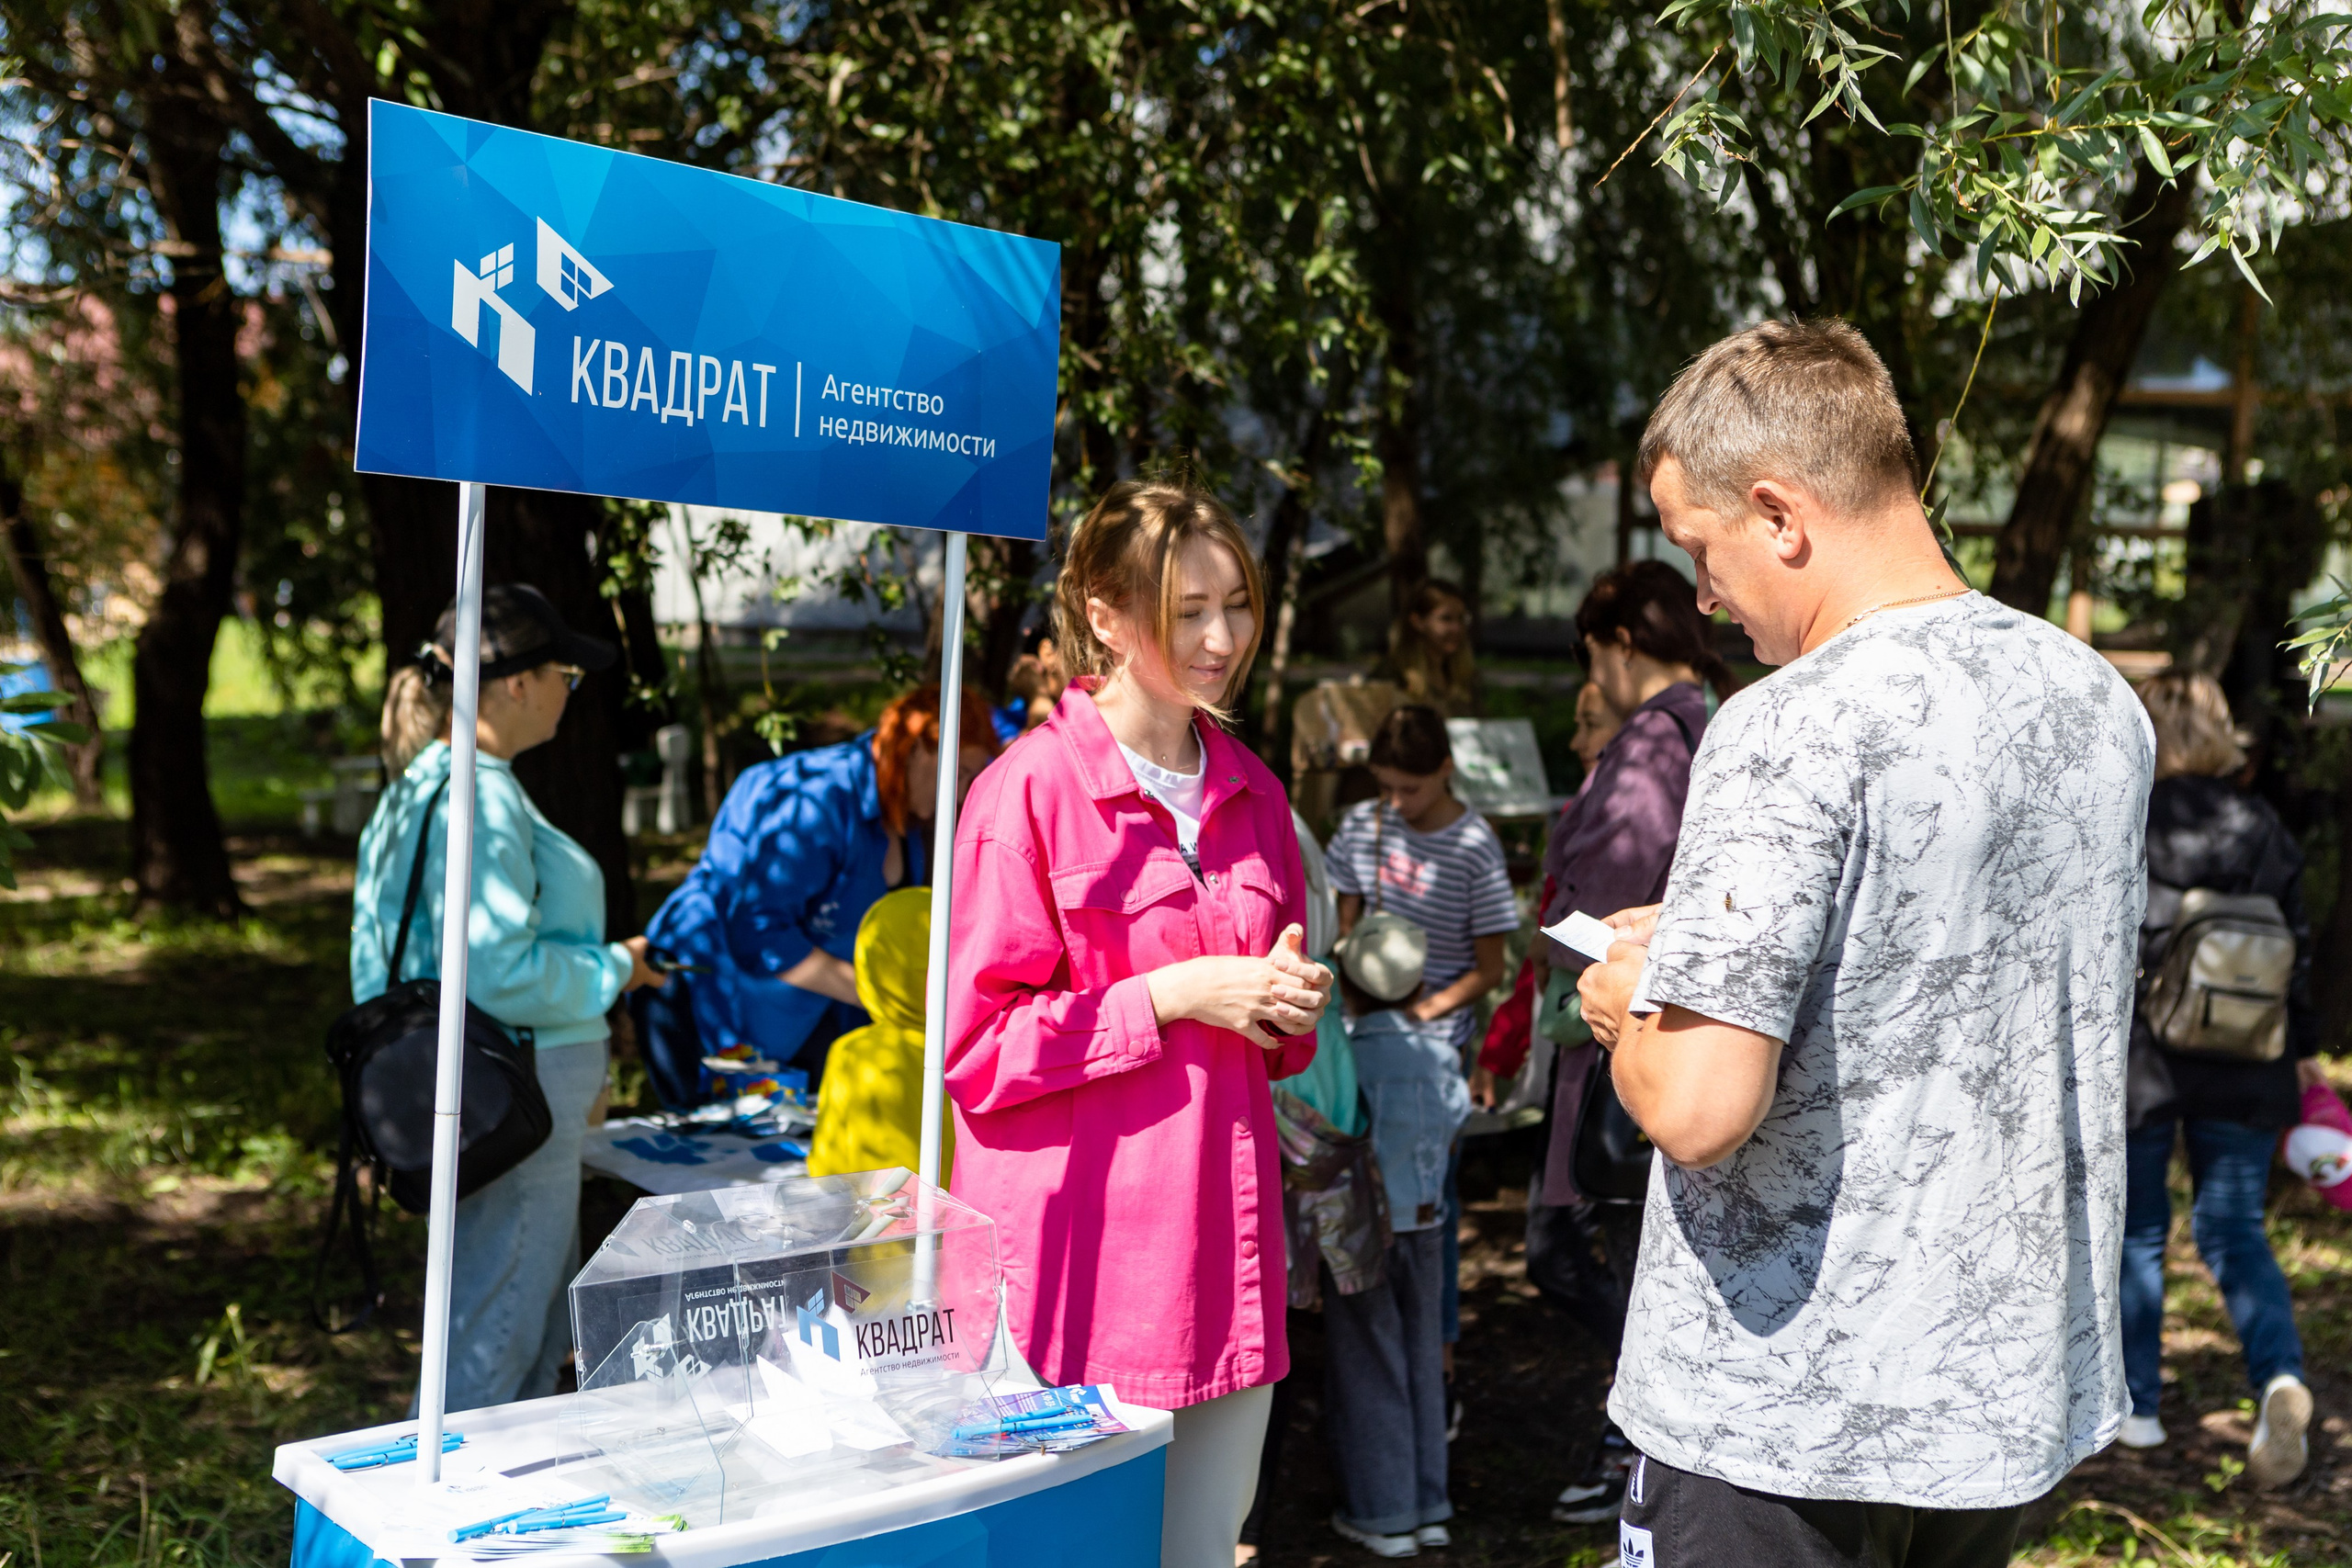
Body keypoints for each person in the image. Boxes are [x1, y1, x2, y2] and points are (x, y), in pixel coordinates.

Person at [1577, 319, 2153, 1565]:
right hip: (1994, 1395)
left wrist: (1635, 994)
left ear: (1781, 512)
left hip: (1781, 1412)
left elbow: (1696, 1103)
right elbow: (1945, 962)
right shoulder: (2096, 703)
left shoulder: (1791, 721)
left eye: (1702, 550)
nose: (1709, 597)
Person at [944, 479, 1332, 1568]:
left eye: (1237, 604)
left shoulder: (1255, 793)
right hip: (1078, 1278)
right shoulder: (1023, 795)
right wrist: (1169, 995)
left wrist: (1285, 1004)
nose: (1222, 639)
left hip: (1221, 1267)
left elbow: (1277, 1045)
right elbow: (977, 1055)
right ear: (1106, 616)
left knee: (1201, 1556)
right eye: (1187, 609)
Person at [350, 584, 663, 1412]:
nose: (571, 689)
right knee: (497, 1339)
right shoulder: (479, 797)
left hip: (462, 1089)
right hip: (509, 1097)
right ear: (517, 683)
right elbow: (498, 972)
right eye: (566, 672)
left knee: (507, 1324)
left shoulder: (422, 785)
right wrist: (613, 969)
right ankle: (451, 1537)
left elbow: (375, 960)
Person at [1510, 561, 1736, 1523]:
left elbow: (1607, 905)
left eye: (1591, 651)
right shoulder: (1718, 722)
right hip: (1680, 1037)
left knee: (1577, 1244)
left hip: (1626, 1038)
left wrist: (1551, 920)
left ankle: (1638, 1443)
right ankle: (1641, 1442)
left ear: (1620, 644)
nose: (1589, 675)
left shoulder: (1655, 741)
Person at [2117, 671, 2317, 1485]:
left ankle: (2137, 1409)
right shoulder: (2265, 825)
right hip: (2250, 1055)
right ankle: (2279, 1375)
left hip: (2146, 1061)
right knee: (2235, 1230)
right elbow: (2296, 954)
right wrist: (2302, 1053)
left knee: (2139, 1232)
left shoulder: (2127, 818)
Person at [634, 684, 997, 1108]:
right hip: (699, 996)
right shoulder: (819, 799)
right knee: (714, 1161)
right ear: (918, 749)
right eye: (961, 772)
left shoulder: (903, 814)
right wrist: (883, 995)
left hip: (794, 1017)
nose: (962, 792)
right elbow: (757, 933)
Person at [1323, 704, 1519, 1427]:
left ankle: (1438, 1361)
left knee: (1431, 1205)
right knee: (1372, 1195)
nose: (1397, 804)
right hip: (1368, 1036)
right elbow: (1345, 933)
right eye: (1387, 788)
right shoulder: (1362, 826)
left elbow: (1490, 966)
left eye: (1412, 789)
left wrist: (1423, 1014)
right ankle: (1374, 1351)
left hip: (1433, 1049)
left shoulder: (1473, 845)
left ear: (1446, 769)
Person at [1323, 911, 1465, 1558]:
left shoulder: (1349, 1054)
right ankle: (1431, 1504)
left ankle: (1384, 1513)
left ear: (1348, 986)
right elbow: (1457, 1122)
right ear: (1416, 986)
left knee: (1369, 1363)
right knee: (1419, 1357)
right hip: (1428, 1225)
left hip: (1363, 1229)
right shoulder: (1440, 1054)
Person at [804, 886, 951, 1181]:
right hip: (973, 1220)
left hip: (883, 1222)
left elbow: (826, 1171)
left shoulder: (853, 1054)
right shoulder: (984, 1050)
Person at [1373, 580, 1479, 717]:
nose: (1457, 628)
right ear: (1418, 622)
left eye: (1461, 619)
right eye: (1446, 619)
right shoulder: (1393, 676)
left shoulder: (1467, 677)